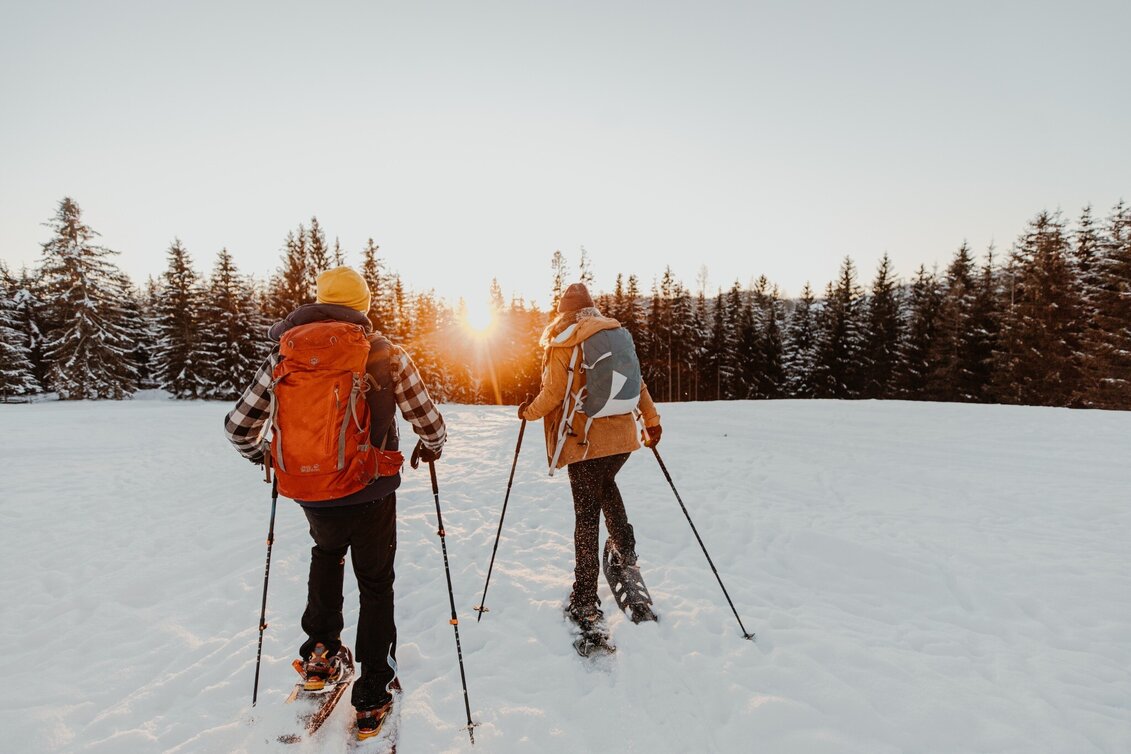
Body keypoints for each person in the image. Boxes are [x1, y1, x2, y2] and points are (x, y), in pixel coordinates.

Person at [224, 266, 445, 739]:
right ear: (363, 306)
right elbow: (428, 418)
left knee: (326, 556)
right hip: (371, 490)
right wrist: (433, 444)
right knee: (375, 583)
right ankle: (372, 694)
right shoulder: (385, 352)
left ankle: (320, 653)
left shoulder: (286, 352)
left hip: (311, 491)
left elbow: (238, 427)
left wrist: (266, 456)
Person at [518, 282, 662, 630]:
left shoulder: (565, 339)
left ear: (564, 313)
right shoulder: (614, 334)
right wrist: (652, 422)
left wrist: (528, 412)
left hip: (585, 442)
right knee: (606, 485)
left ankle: (584, 597)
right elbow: (638, 382)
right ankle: (625, 548)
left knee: (586, 516)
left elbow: (552, 393)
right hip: (623, 440)